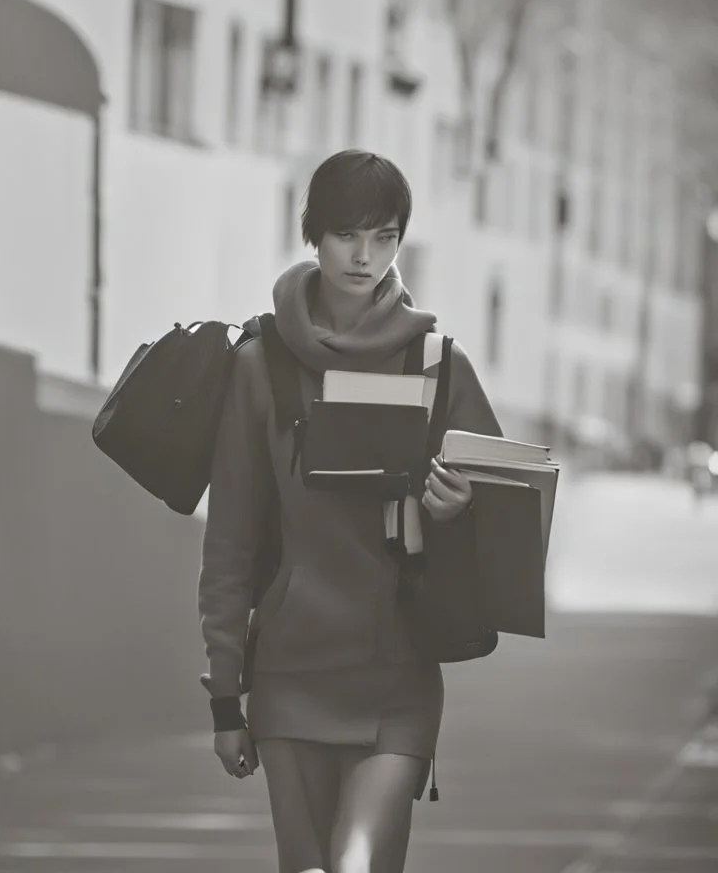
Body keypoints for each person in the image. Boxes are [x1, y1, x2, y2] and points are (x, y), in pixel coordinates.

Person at [198, 150, 502, 873]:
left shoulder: (436, 363)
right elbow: (231, 538)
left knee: (356, 863)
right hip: (289, 673)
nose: (365, 257)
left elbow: (506, 515)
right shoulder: (261, 363)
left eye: (385, 236)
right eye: (346, 235)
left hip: (398, 672)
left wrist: (461, 511)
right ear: (312, 233)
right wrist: (223, 698)